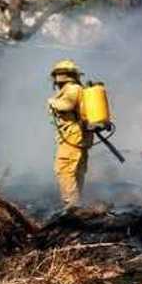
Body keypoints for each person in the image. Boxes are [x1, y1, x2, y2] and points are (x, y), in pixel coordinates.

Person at [46, 59, 92, 209]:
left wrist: (52, 102)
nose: (57, 78)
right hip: (77, 135)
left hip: (74, 135)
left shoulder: (72, 89)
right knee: (76, 169)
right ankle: (76, 203)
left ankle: (72, 207)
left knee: (64, 168)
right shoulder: (75, 88)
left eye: (59, 74)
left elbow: (68, 105)